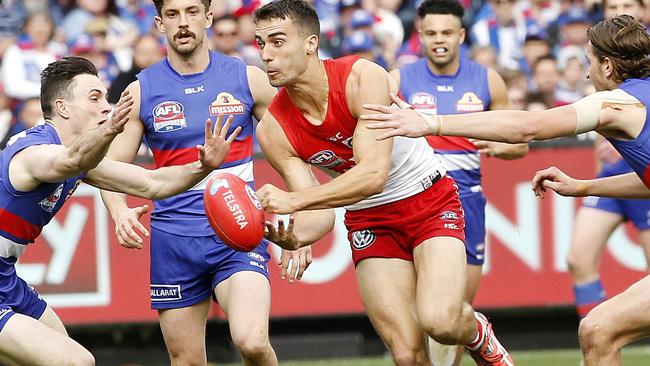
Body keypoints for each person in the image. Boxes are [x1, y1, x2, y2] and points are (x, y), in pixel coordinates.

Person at [360, 14, 650, 366]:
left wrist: (432, 123)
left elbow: (528, 126)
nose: (587, 74)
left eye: (589, 62)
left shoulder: (618, 103)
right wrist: (584, 186)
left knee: (599, 331)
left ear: (607, 64)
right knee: (599, 331)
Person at [252, 1, 514, 365]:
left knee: (441, 321)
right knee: (406, 355)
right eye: (261, 44)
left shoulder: (362, 77)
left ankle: (479, 335)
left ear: (310, 43)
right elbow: (320, 215)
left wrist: (294, 203)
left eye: (277, 41)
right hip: (369, 219)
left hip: (427, 200)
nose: (266, 54)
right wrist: (288, 236)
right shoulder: (273, 129)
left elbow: (373, 174)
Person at [99, 1, 311, 365]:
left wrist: (301, 223)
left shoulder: (248, 78)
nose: (183, 23)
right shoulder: (141, 91)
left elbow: (295, 150)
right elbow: (109, 168)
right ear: (159, 23)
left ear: (208, 17)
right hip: (174, 240)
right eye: (173, 14)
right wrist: (118, 210)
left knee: (252, 341)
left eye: (192, 11)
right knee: (187, 359)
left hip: (239, 230)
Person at [0, 56, 241, 366]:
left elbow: (152, 183)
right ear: (62, 108)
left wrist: (203, 166)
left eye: (105, 96)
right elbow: (70, 160)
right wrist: (111, 130)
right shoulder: (35, 153)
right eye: (94, 97)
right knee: (76, 361)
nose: (106, 105)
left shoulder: (83, 161)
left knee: (62, 351)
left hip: (6, 276)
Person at [390, 0, 528, 364]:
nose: (439, 40)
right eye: (431, 33)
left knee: (453, 314)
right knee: (411, 326)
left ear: (462, 35)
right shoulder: (398, 79)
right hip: (410, 199)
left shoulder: (487, 79)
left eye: (447, 33)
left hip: (465, 201)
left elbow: (520, 144)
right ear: (419, 36)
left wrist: (500, 147)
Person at [568, 136, 650, 319]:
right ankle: (594, 330)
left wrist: (633, 149)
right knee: (579, 260)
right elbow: (600, 125)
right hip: (610, 178)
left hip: (645, 178)